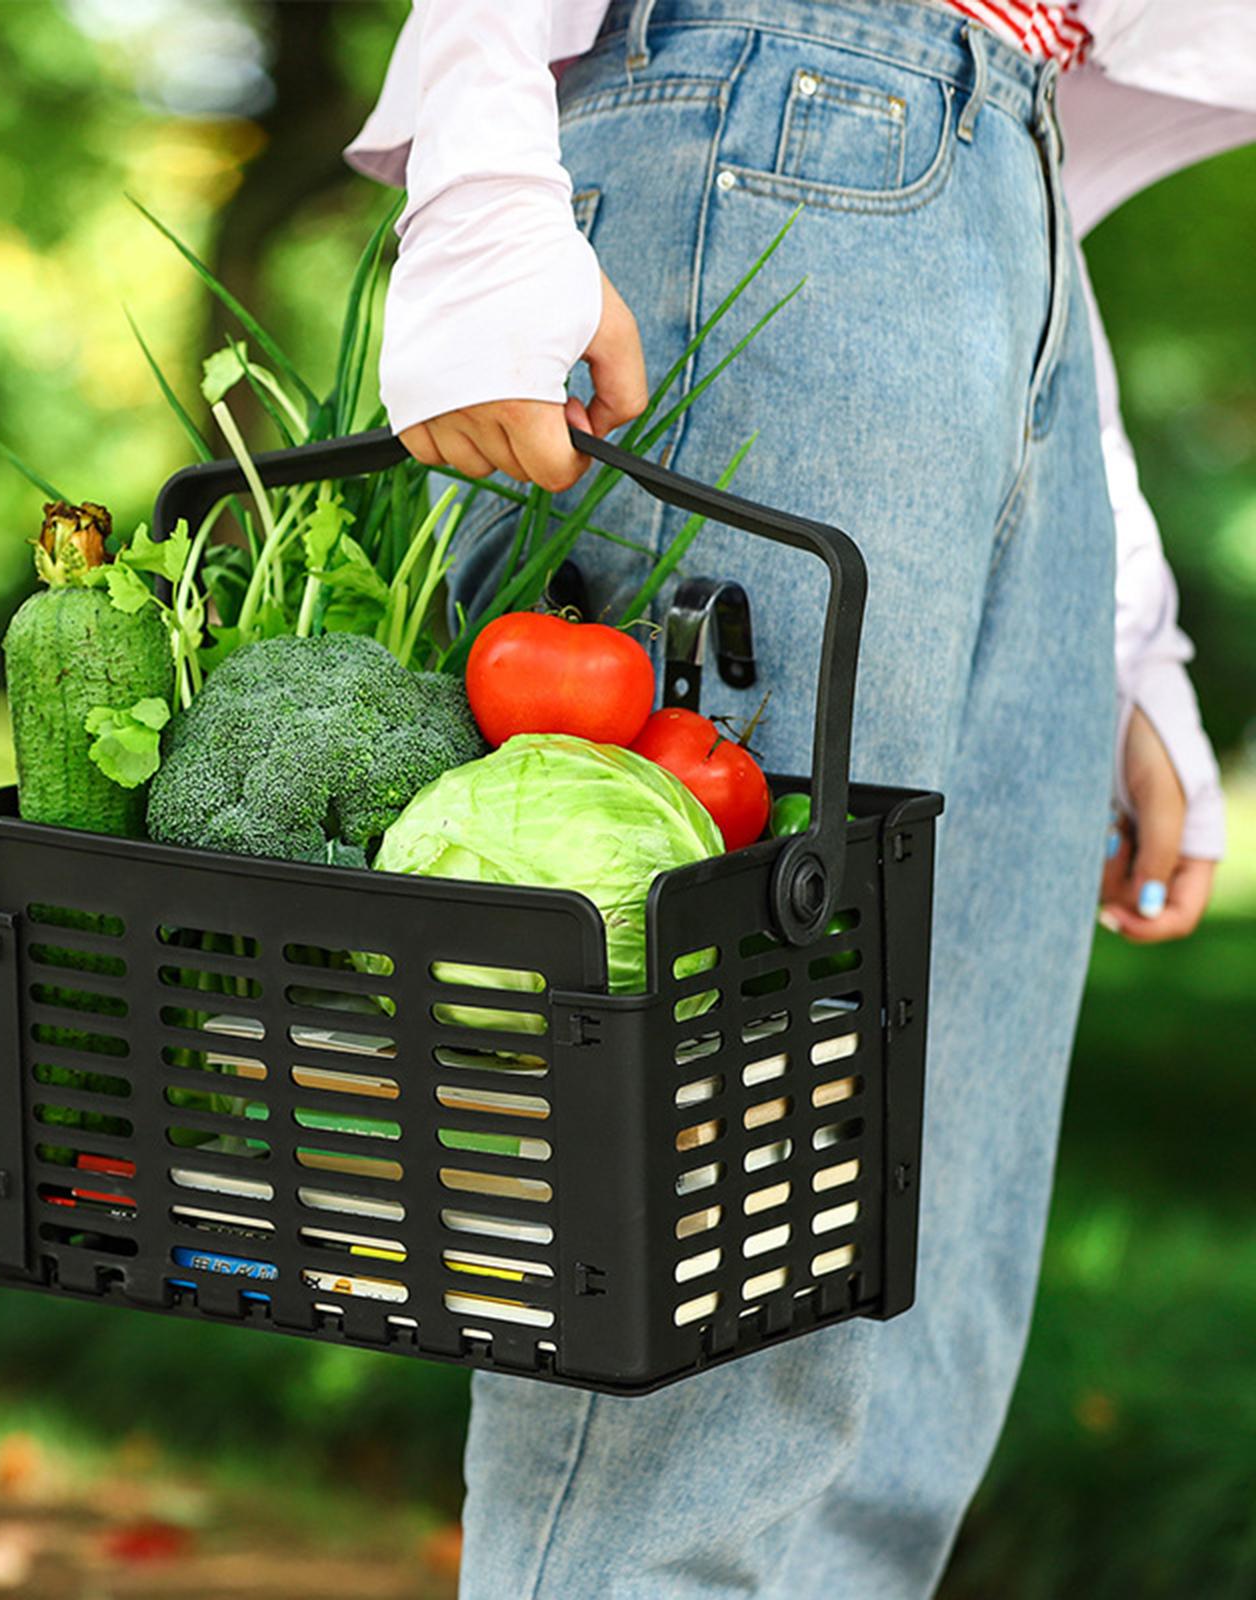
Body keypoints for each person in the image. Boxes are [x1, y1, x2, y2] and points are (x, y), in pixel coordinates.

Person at [344, 2, 1253, 1595]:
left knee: (909, 1315)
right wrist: (481, 181)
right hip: (772, 133)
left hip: (1001, 189)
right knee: (702, 1334)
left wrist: (1114, 618)